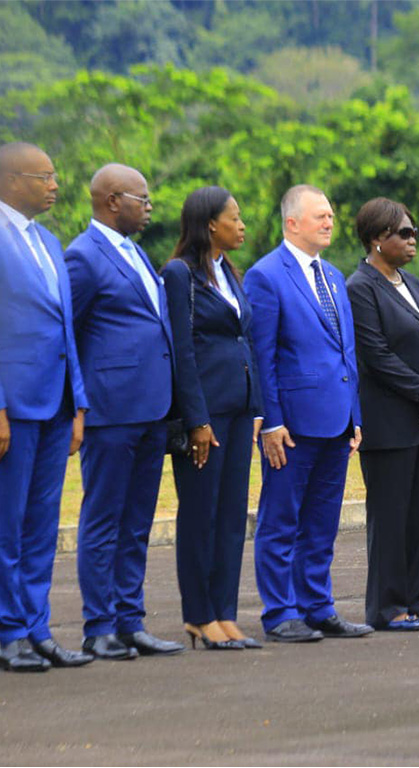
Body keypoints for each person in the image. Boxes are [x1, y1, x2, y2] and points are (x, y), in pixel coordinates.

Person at [65, 164, 184, 659]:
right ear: (114, 201)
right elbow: (64, 333)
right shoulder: (83, 258)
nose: (149, 207)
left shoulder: (135, 252)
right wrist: (76, 402)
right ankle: (99, 626)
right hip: (111, 410)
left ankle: (130, 620)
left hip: (152, 408)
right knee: (103, 518)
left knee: (137, 521)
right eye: (143, 198)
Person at [244, 185, 373, 642]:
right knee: (281, 520)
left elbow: (347, 354)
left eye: (332, 215)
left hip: (337, 421)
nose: (329, 222)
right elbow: (264, 357)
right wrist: (272, 422)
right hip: (292, 425)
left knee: (322, 523)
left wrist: (355, 415)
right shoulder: (266, 276)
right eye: (319, 215)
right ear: (292, 222)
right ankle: (280, 612)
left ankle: (318, 606)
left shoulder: (334, 276)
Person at [0, 143, 91, 672]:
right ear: (12, 181)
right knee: (7, 525)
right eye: (45, 176)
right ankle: (8, 630)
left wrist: (78, 404)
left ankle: (35, 629)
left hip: (56, 407)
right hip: (14, 409)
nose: (55, 185)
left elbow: (66, 332)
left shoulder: (51, 242)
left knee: (40, 526)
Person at [162, 187, 264, 650]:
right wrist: (196, 419)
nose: (241, 225)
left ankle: (224, 612)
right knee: (200, 514)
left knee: (230, 516)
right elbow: (182, 351)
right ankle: (198, 615)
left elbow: (245, 342)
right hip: (206, 414)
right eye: (234, 218)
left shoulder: (228, 272)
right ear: (209, 224)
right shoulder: (179, 275)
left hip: (240, 411)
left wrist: (257, 405)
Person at [348, 198, 419, 631]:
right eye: (404, 234)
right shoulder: (360, 287)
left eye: (414, 233)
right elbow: (376, 355)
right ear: (377, 239)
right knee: (390, 516)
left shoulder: (412, 282)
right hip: (390, 421)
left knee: (418, 516)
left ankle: (416, 597)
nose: (414, 240)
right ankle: (388, 606)